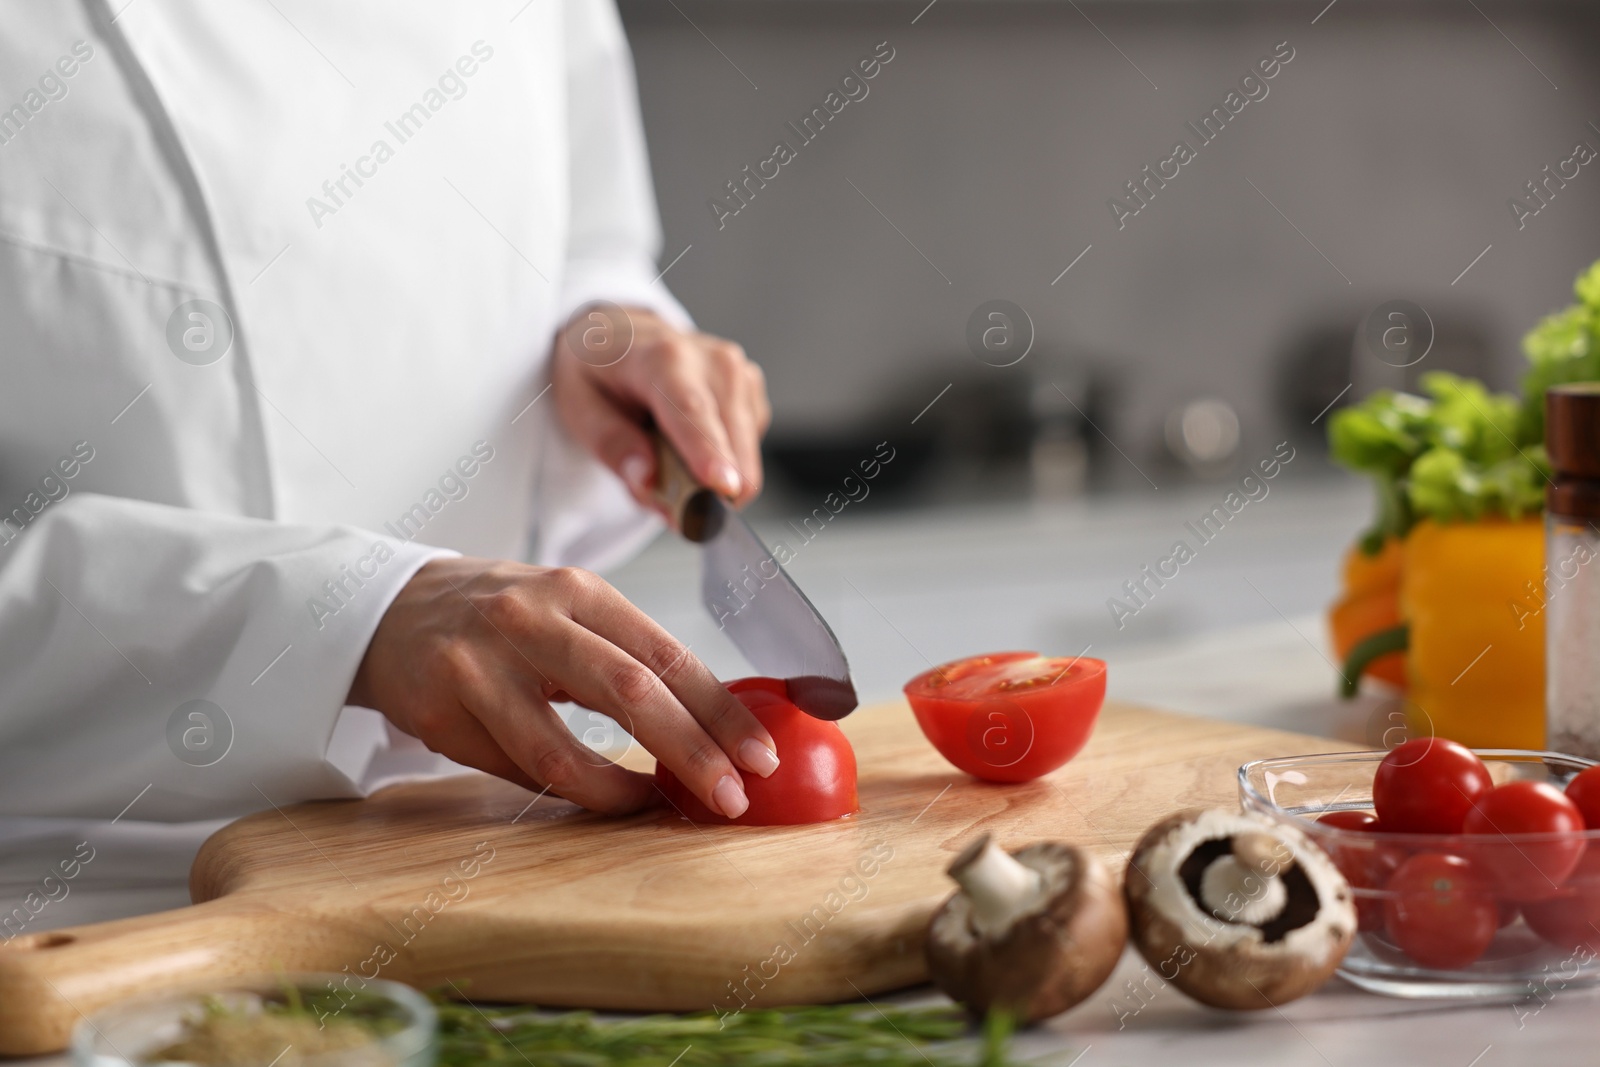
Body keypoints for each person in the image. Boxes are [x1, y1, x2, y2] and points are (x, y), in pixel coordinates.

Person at [0, 1, 779, 836]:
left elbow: (586, 235)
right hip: (102, 892)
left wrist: (605, 327)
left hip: (480, 831)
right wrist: (339, 622)